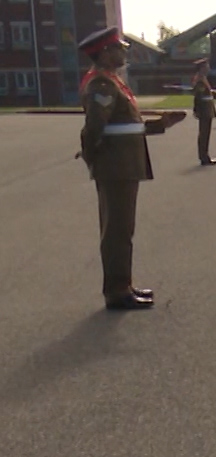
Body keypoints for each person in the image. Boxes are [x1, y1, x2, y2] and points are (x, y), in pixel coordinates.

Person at [76, 27, 155, 311]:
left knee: (123, 228)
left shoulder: (112, 82)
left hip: (122, 165)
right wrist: (92, 158)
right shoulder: (102, 85)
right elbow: (94, 128)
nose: (124, 53)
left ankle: (124, 284)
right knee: (117, 230)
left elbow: (126, 125)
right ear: (106, 53)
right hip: (115, 167)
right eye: (119, 48)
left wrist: (160, 124)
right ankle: (117, 290)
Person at [191, 59, 216, 166]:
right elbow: (198, 96)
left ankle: (205, 155)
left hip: (207, 107)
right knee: (204, 133)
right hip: (204, 109)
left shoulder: (203, 78)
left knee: (206, 133)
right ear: (202, 68)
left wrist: (213, 93)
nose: (208, 68)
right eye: (206, 66)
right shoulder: (199, 79)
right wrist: (196, 109)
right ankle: (204, 157)